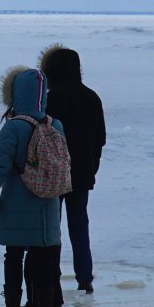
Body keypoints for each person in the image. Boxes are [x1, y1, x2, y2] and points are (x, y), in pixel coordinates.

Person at [0, 66, 63, 307]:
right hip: (48, 204)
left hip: (17, 203)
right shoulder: (55, 125)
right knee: (44, 257)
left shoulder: (13, 128)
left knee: (13, 256)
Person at [39, 44, 107, 294]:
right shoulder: (91, 97)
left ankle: (51, 276)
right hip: (82, 174)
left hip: (53, 174)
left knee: (51, 227)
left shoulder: (51, 97)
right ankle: (85, 277)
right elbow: (100, 138)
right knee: (79, 225)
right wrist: (92, 168)